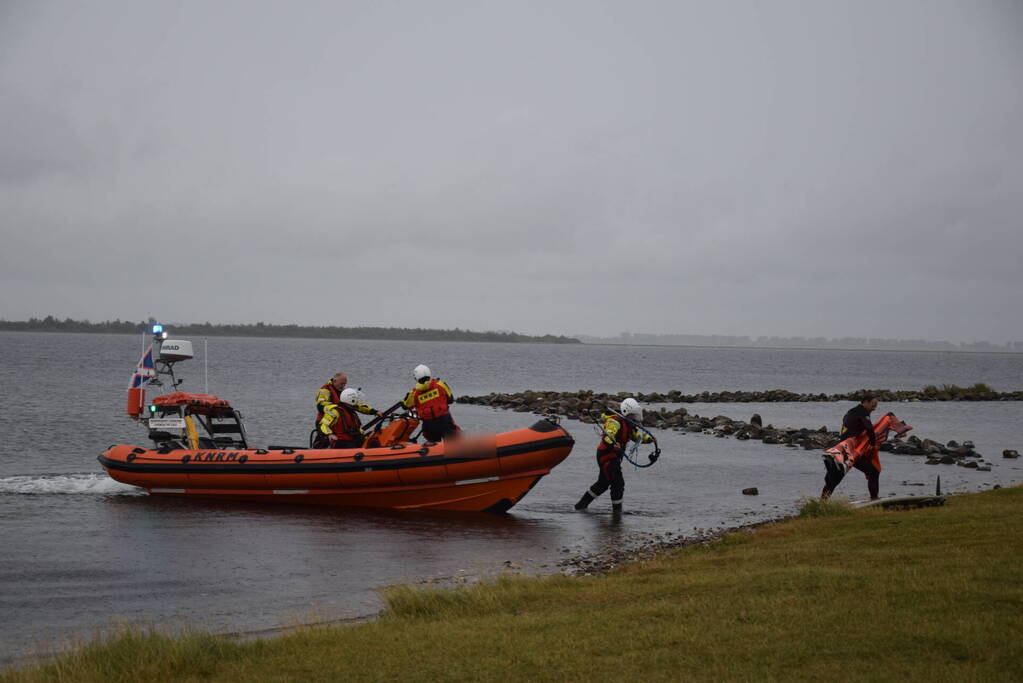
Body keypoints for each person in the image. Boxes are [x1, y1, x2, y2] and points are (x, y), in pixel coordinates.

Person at [574, 397, 653, 515]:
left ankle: (580, 506)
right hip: (607, 455)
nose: (635, 417)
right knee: (618, 482)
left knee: (603, 483)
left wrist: (649, 439)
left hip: (614, 456)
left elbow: (636, 437)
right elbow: (608, 437)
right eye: (633, 415)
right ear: (627, 412)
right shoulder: (614, 422)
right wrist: (613, 443)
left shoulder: (629, 424)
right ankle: (617, 513)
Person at [822, 394, 881, 500]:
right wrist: (872, 444)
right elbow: (869, 428)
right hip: (850, 449)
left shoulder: (851, 412)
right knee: (873, 472)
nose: (874, 409)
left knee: (834, 479)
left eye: (875, 406)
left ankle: (822, 503)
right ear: (865, 402)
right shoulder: (862, 411)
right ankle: (874, 500)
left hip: (842, 448)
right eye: (873, 406)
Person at [402, 364, 459, 442]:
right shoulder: (440, 384)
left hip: (429, 424)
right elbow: (450, 399)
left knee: (433, 444)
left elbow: (405, 405)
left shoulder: (414, 393)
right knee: (453, 442)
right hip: (445, 420)